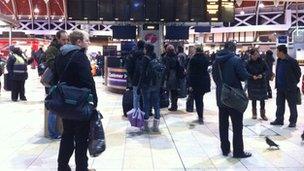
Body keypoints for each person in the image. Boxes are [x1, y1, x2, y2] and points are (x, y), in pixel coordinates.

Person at [53, 30, 97, 171]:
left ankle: (62, 166)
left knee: (67, 134)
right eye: (86, 40)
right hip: (79, 103)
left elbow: (54, 77)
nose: (88, 42)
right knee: (81, 137)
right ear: (78, 42)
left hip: (65, 103)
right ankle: (81, 168)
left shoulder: (61, 54)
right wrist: (94, 101)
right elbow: (88, 81)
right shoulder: (79, 56)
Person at [212, 41, 252, 158]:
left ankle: (225, 149)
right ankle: (238, 151)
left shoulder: (216, 61)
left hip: (221, 96)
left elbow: (215, 78)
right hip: (234, 97)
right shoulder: (236, 60)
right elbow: (243, 76)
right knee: (237, 125)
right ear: (233, 49)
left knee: (223, 124)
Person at [40, 30, 69, 140]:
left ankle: (60, 130)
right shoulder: (52, 49)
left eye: (67, 39)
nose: (65, 42)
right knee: (53, 109)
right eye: (63, 40)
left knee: (60, 108)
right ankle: (52, 133)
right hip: (54, 82)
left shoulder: (64, 48)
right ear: (57, 39)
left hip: (62, 81)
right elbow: (52, 64)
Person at [270, 45, 301, 128]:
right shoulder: (279, 61)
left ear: (281, 52)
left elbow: (298, 74)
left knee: (292, 105)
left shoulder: (292, 61)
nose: (276, 53)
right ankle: (279, 120)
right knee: (279, 105)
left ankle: (293, 121)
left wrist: (293, 83)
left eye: (277, 51)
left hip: (290, 88)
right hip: (280, 88)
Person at [139, 43, 162, 132]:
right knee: (156, 104)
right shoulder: (156, 58)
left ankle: (146, 125)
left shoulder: (145, 58)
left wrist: (139, 86)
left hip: (146, 85)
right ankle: (156, 125)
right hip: (156, 85)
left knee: (146, 104)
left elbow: (143, 73)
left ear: (146, 49)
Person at [187, 47, 211, 124]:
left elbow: (190, 72)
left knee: (198, 100)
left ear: (196, 51)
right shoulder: (206, 59)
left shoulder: (193, 59)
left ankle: (200, 116)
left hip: (196, 82)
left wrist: (190, 84)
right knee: (200, 99)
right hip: (204, 81)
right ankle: (200, 115)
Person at [246, 48, 269, 121]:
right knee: (253, 99)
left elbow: (267, 70)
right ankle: (254, 113)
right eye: (255, 54)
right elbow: (245, 72)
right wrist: (251, 76)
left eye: (257, 54)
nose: (256, 56)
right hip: (252, 83)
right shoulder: (248, 62)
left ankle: (263, 114)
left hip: (261, 83)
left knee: (262, 99)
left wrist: (262, 75)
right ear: (251, 55)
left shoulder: (262, 61)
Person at [126, 40, 145, 109]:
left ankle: (136, 113)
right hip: (144, 79)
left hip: (135, 78)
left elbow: (128, 67)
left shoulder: (132, 55)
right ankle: (145, 113)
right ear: (143, 46)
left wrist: (131, 77)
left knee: (136, 96)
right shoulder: (145, 55)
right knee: (145, 96)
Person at [163, 45, 180, 111]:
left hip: (171, 75)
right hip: (176, 75)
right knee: (174, 91)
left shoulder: (167, 57)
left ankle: (173, 106)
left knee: (171, 91)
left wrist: (165, 77)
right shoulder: (176, 56)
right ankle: (174, 105)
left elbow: (166, 67)